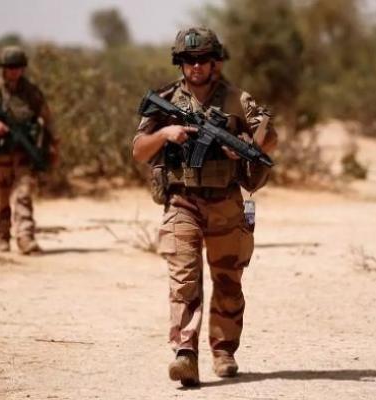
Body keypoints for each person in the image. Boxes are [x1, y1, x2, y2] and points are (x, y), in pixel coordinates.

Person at [132, 27, 277, 386]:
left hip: (226, 200)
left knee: (228, 279)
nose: (196, 66)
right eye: (189, 60)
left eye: (203, 59)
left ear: (216, 62)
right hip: (181, 200)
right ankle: (185, 354)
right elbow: (139, 150)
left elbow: (268, 140)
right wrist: (165, 134)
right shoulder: (166, 99)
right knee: (184, 280)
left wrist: (243, 144)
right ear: (179, 63)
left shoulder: (237, 99)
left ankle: (224, 350)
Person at [0, 45, 58, 255]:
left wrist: (54, 143)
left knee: (23, 193)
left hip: (22, 151)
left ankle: (25, 237)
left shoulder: (31, 92)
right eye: (10, 68)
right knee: (1, 196)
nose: (15, 72)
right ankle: (2, 235)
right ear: (2, 68)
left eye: (18, 67)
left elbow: (47, 118)